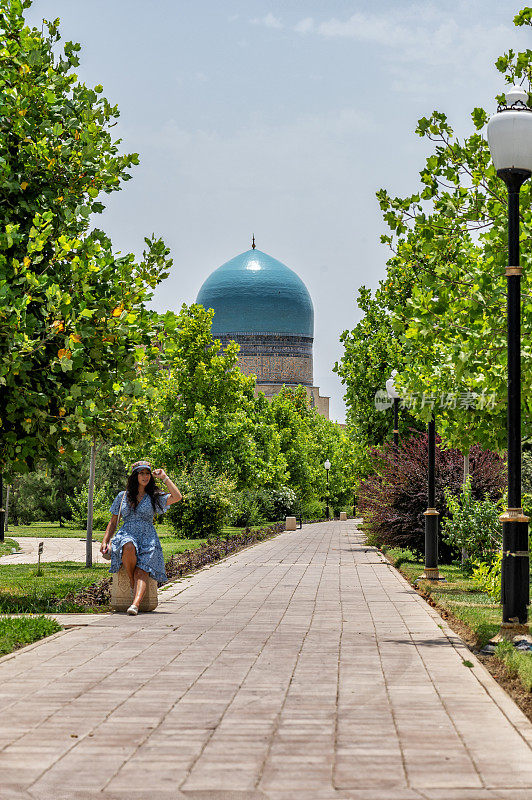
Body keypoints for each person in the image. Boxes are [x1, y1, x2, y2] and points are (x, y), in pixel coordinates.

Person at [101, 460, 182, 615]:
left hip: (148, 537)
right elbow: (113, 522)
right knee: (128, 545)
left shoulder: (154, 497)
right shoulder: (122, 496)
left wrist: (164, 477)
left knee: (142, 571)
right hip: (127, 532)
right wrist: (105, 541)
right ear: (135, 476)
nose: (145, 476)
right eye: (141, 473)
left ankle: (135, 605)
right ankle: (132, 581)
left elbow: (177, 497)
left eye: (147, 473)